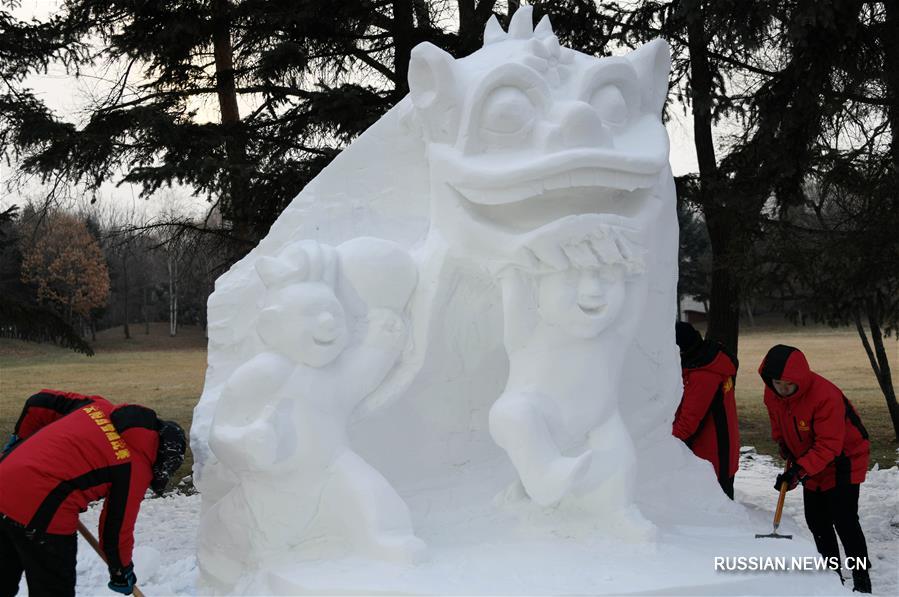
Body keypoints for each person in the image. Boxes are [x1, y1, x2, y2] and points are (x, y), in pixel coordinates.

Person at [0, 389, 187, 597]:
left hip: (3, 479)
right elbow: (115, 529)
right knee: (53, 588)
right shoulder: (136, 466)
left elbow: (39, 402)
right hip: (42, 511)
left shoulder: (98, 407)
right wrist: (121, 571)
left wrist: (19, 440)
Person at [758, 345, 871, 593]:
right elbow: (778, 422)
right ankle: (831, 580)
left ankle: (861, 579)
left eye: (789, 384)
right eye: (778, 383)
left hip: (844, 457)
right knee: (817, 521)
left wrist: (798, 472)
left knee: (844, 521)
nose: (783, 390)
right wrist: (784, 445)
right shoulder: (772, 394)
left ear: (800, 379)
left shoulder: (824, 396)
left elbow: (829, 445)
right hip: (810, 460)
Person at [672, 321, 740, 499]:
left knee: (716, 515)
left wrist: (662, 444)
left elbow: (687, 424)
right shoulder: (706, 360)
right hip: (716, 454)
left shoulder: (703, 374)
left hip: (712, 457)